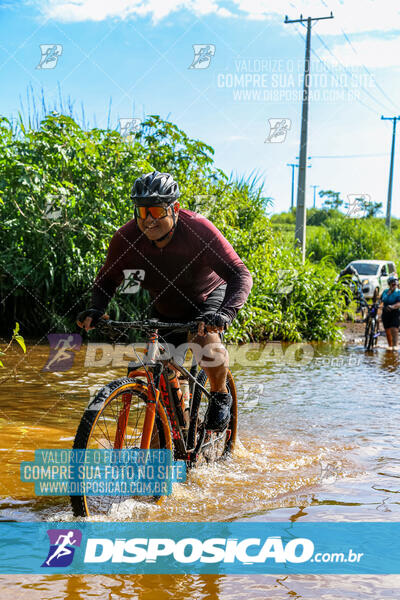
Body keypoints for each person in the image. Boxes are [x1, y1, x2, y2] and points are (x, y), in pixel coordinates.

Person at [77, 171, 253, 431]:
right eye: (142, 211)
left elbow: (240, 272)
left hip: (207, 297)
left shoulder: (198, 229)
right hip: (166, 308)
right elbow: (107, 279)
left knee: (203, 341)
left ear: (176, 209)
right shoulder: (125, 238)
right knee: (162, 381)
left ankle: (219, 394)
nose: (149, 219)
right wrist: (97, 309)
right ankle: (177, 433)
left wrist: (226, 313)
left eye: (157, 211)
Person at [379, 275, 400, 350]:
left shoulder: (398, 292)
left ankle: (395, 346)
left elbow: (399, 303)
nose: (394, 284)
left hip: (395, 312)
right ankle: (390, 347)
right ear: (389, 284)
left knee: (394, 329)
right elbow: (381, 300)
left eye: (395, 282)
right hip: (385, 313)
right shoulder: (385, 292)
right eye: (392, 283)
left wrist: (392, 306)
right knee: (387, 330)